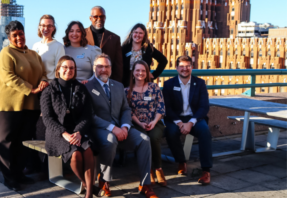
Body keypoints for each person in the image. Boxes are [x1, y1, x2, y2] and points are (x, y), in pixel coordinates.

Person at [85, 54, 159, 198]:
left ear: (111, 69)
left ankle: (145, 184)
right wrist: (113, 128)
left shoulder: (118, 86)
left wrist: (125, 126)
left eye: (107, 66)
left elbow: (126, 109)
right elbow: (90, 116)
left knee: (144, 139)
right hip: (99, 129)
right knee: (110, 140)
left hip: (121, 127)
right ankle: (104, 181)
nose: (103, 70)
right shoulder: (87, 86)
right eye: (100, 66)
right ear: (94, 68)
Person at [0, 21, 48, 191]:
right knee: (7, 141)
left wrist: (44, 81)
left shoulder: (33, 54)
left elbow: (43, 72)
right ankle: (9, 178)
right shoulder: (6, 53)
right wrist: (32, 89)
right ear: (9, 38)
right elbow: (8, 77)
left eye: (20, 33)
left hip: (30, 105)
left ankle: (19, 173)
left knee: (24, 141)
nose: (18, 37)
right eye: (14, 35)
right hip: (8, 105)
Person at [41, 55, 103, 198]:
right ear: (58, 69)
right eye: (65, 67)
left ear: (75, 70)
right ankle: (87, 184)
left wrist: (78, 132)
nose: (68, 70)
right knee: (75, 154)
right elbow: (48, 119)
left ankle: (88, 194)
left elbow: (87, 115)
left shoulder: (81, 88)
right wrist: (64, 133)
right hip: (57, 133)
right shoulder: (49, 90)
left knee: (87, 150)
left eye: (72, 68)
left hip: (78, 130)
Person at [162, 55, 212, 185]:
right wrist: (179, 122)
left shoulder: (200, 83)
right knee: (170, 132)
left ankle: (206, 170)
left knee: (205, 132)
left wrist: (191, 123)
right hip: (175, 118)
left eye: (187, 66)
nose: (185, 69)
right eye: (182, 66)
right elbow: (167, 107)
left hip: (194, 118)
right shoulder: (168, 84)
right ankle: (181, 161)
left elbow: (204, 106)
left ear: (192, 67)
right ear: (177, 68)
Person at [124, 60, 167, 187]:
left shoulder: (154, 88)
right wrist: (140, 123)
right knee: (144, 139)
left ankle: (158, 168)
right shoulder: (127, 91)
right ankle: (148, 171)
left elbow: (161, 107)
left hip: (155, 122)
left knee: (153, 137)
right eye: (137, 70)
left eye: (143, 70)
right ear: (133, 73)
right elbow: (127, 110)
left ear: (147, 72)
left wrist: (153, 122)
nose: (140, 73)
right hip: (137, 124)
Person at [121, 23, 167, 87]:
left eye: (140, 33)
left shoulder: (148, 49)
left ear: (144, 35)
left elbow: (163, 60)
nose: (138, 35)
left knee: (146, 97)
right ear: (131, 34)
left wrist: (154, 75)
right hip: (127, 84)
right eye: (136, 32)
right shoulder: (124, 48)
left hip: (144, 84)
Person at [85, 6, 123, 83]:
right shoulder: (81, 35)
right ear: (90, 18)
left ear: (105, 18)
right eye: (96, 16)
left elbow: (118, 65)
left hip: (107, 82)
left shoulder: (115, 38)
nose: (99, 19)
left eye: (102, 16)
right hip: (85, 82)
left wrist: (116, 84)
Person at [32, 14, 65, 83]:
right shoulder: (35, 46)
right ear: (39, 27)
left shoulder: (58, 46)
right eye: (43, 25)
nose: (46, 28)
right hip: (36, 84)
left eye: (49, 26)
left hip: (50, 85)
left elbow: (59, 71)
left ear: (53, 28)